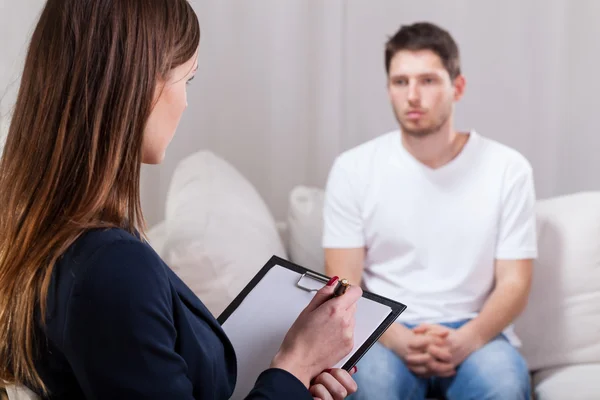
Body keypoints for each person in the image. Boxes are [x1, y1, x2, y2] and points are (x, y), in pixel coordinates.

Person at [0, 1, 362, 399]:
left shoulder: (38, 231)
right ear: (137, 83)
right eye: (186, 80)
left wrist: (288, 384)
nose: (186, 103)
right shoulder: (110, 267)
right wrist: (297, 364)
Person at [323, 22, 537, 400]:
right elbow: (344, 280)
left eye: (428, 80)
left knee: (504, 385)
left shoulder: (508, 168)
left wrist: (467, 339)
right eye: (401, 82)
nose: (413, 96)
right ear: (389, 88)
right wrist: (399, 339)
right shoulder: (353, 168)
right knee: (369, 388)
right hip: (385, 331)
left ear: (458, 87)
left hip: (476, 333)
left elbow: (515, 283)